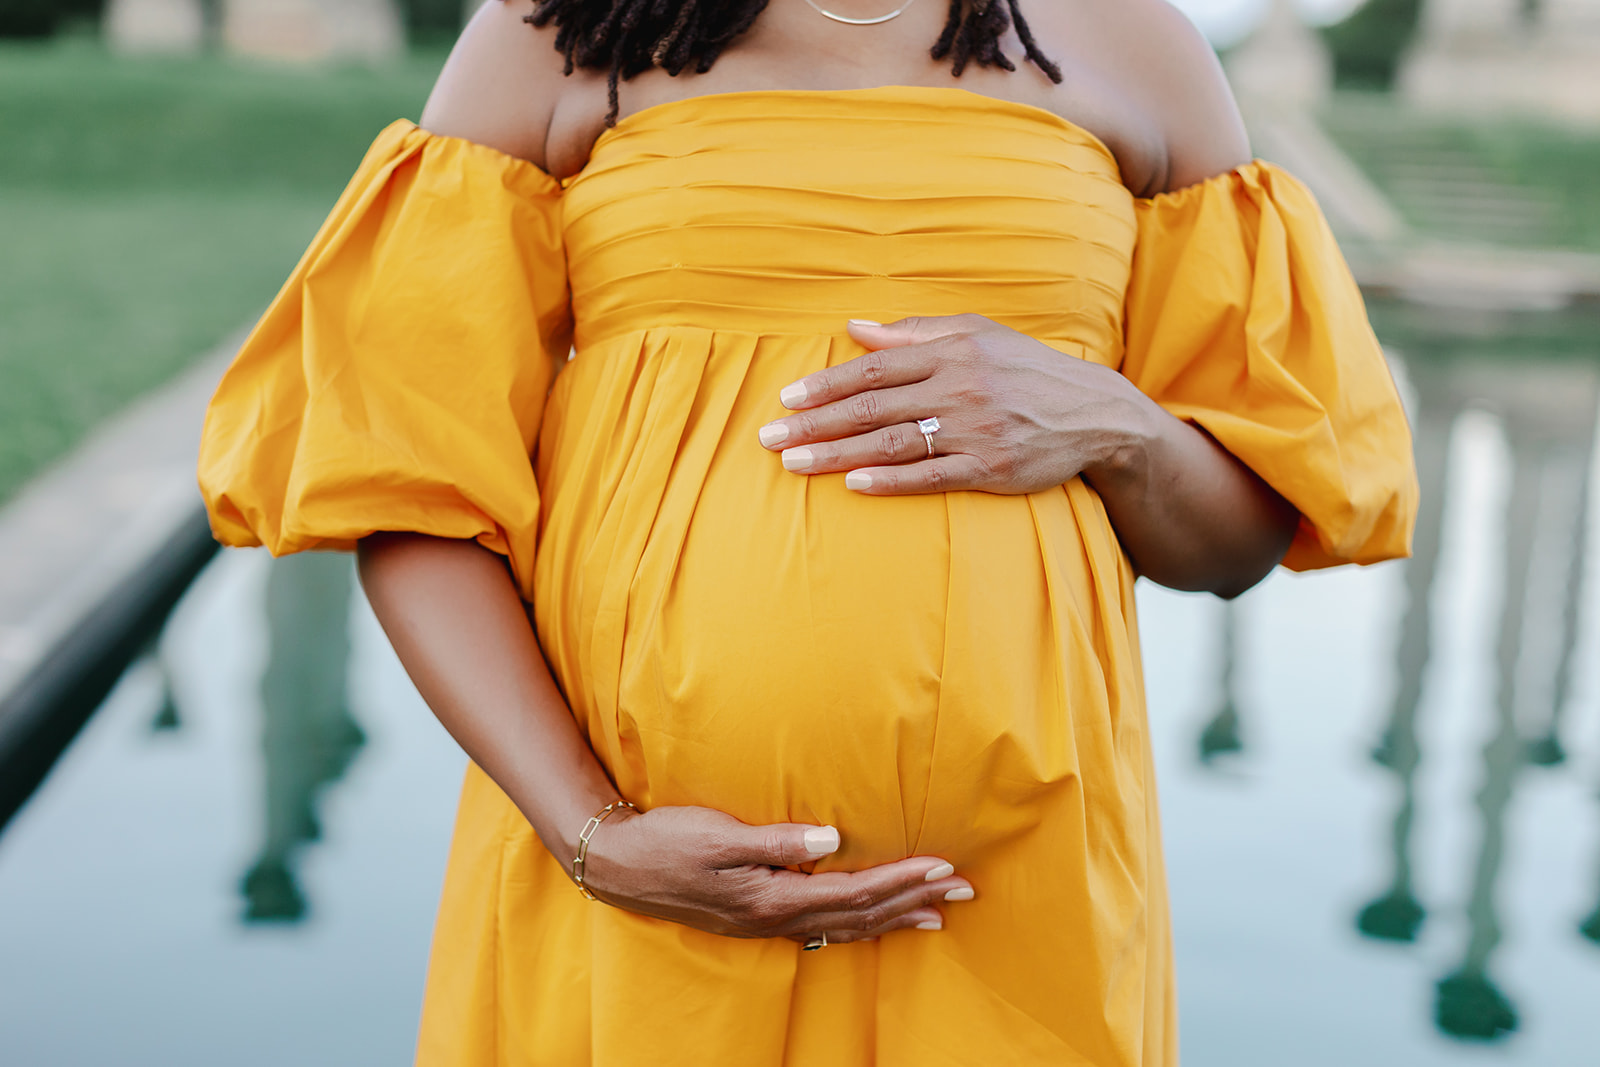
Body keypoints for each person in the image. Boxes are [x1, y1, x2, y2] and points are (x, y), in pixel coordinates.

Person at [197, 0, 1418, 1063]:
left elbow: (1232, 547)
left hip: (1008, 901)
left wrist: (1119, 424)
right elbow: (407, 496)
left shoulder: (1136, 46)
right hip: (641, 889)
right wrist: (592, 833)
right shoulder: (564, 32)